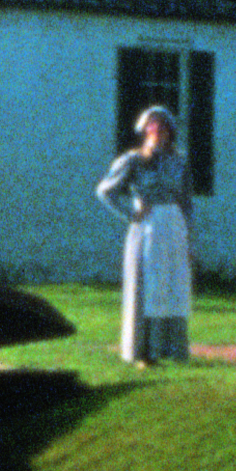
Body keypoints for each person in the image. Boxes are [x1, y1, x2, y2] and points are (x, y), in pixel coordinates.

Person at [95, 105, 195, 364]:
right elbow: (105, 191)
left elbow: (186, 201)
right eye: (152, 124)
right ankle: (143, 351)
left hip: (173, 227)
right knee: (146, 286)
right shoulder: (134, 160)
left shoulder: (178, 161)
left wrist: (189, 236)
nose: (157, 129)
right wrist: (131, 213)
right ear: (144, 128)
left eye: (162, 125)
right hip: (148, 227)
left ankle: (171, 349)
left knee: (172, 284)